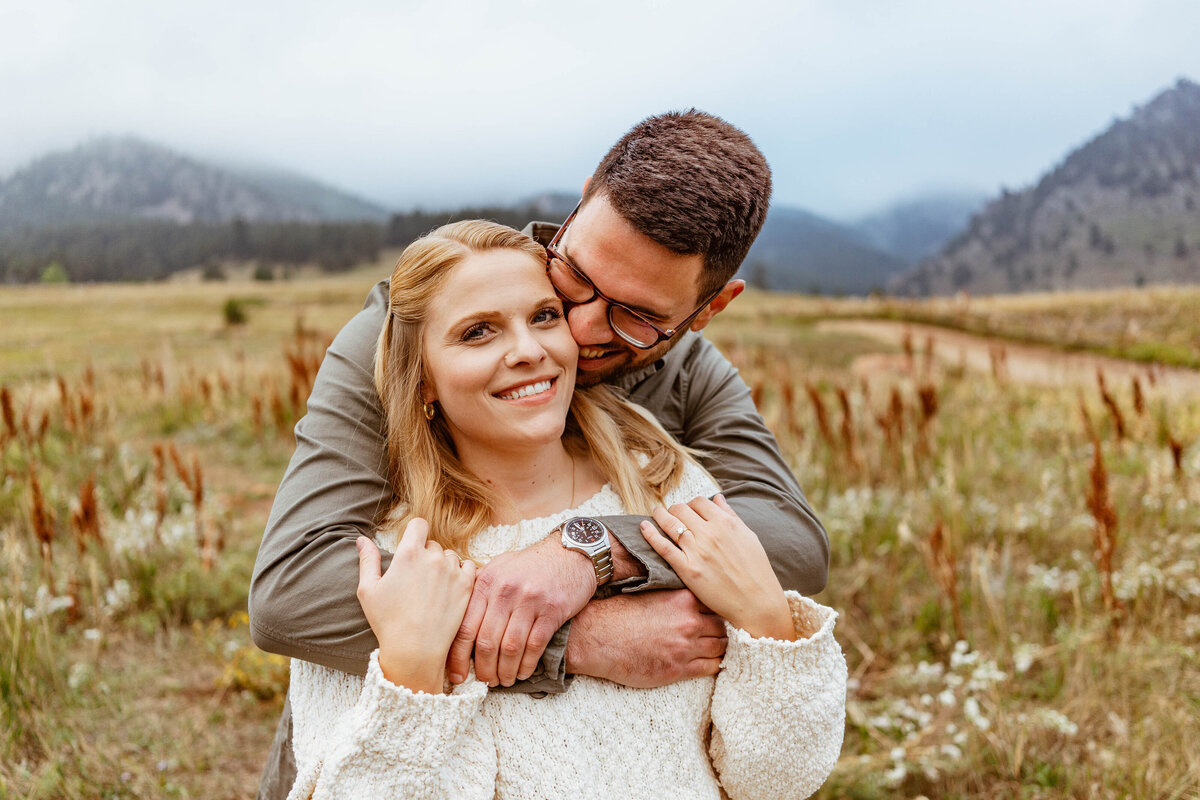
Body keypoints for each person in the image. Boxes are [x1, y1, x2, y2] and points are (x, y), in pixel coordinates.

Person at [250, 110, 830, 797]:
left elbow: (791, 543)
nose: (582, 328)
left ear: (707, 310)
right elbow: (291, 595)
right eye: (576, 275)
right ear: (583, 197)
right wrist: (578, 639)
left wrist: (590, 552)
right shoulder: (400, 328)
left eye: (636, 315)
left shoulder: (695, 377)